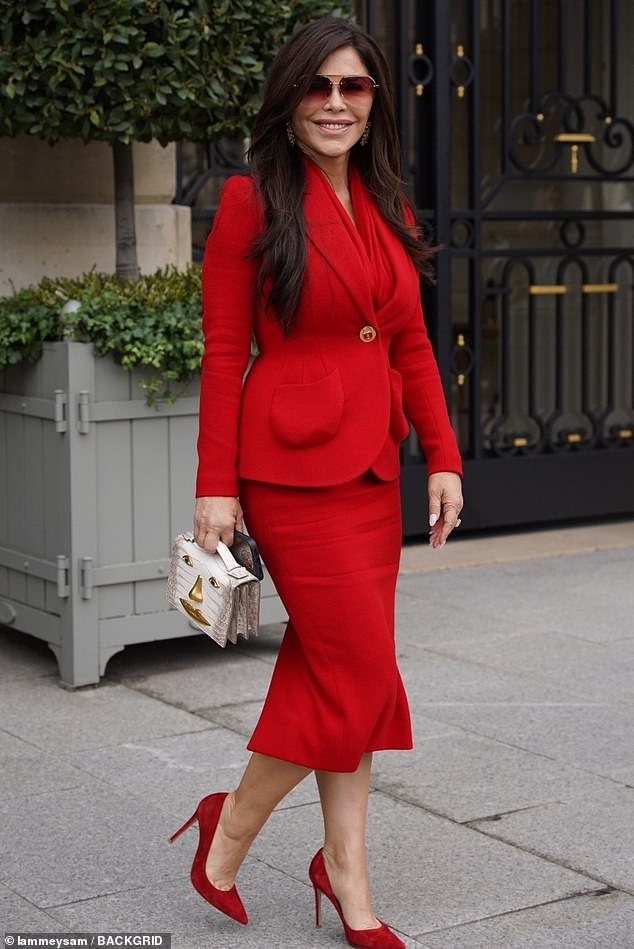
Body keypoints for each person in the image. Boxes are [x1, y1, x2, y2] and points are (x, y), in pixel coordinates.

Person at [170, 16, 463, 949]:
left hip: (373, 471)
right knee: (359, 672)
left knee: (339, 669)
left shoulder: (391, 207)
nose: (337, 104)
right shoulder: (254, 202)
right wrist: (214, 486)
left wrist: (444, 453)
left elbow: (411, 341)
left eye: (356, 88)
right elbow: (224, 351)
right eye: (318, 88)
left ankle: (342, 874)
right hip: (289, 470)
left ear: (376, 103)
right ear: (290, 100)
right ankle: (240, 834)